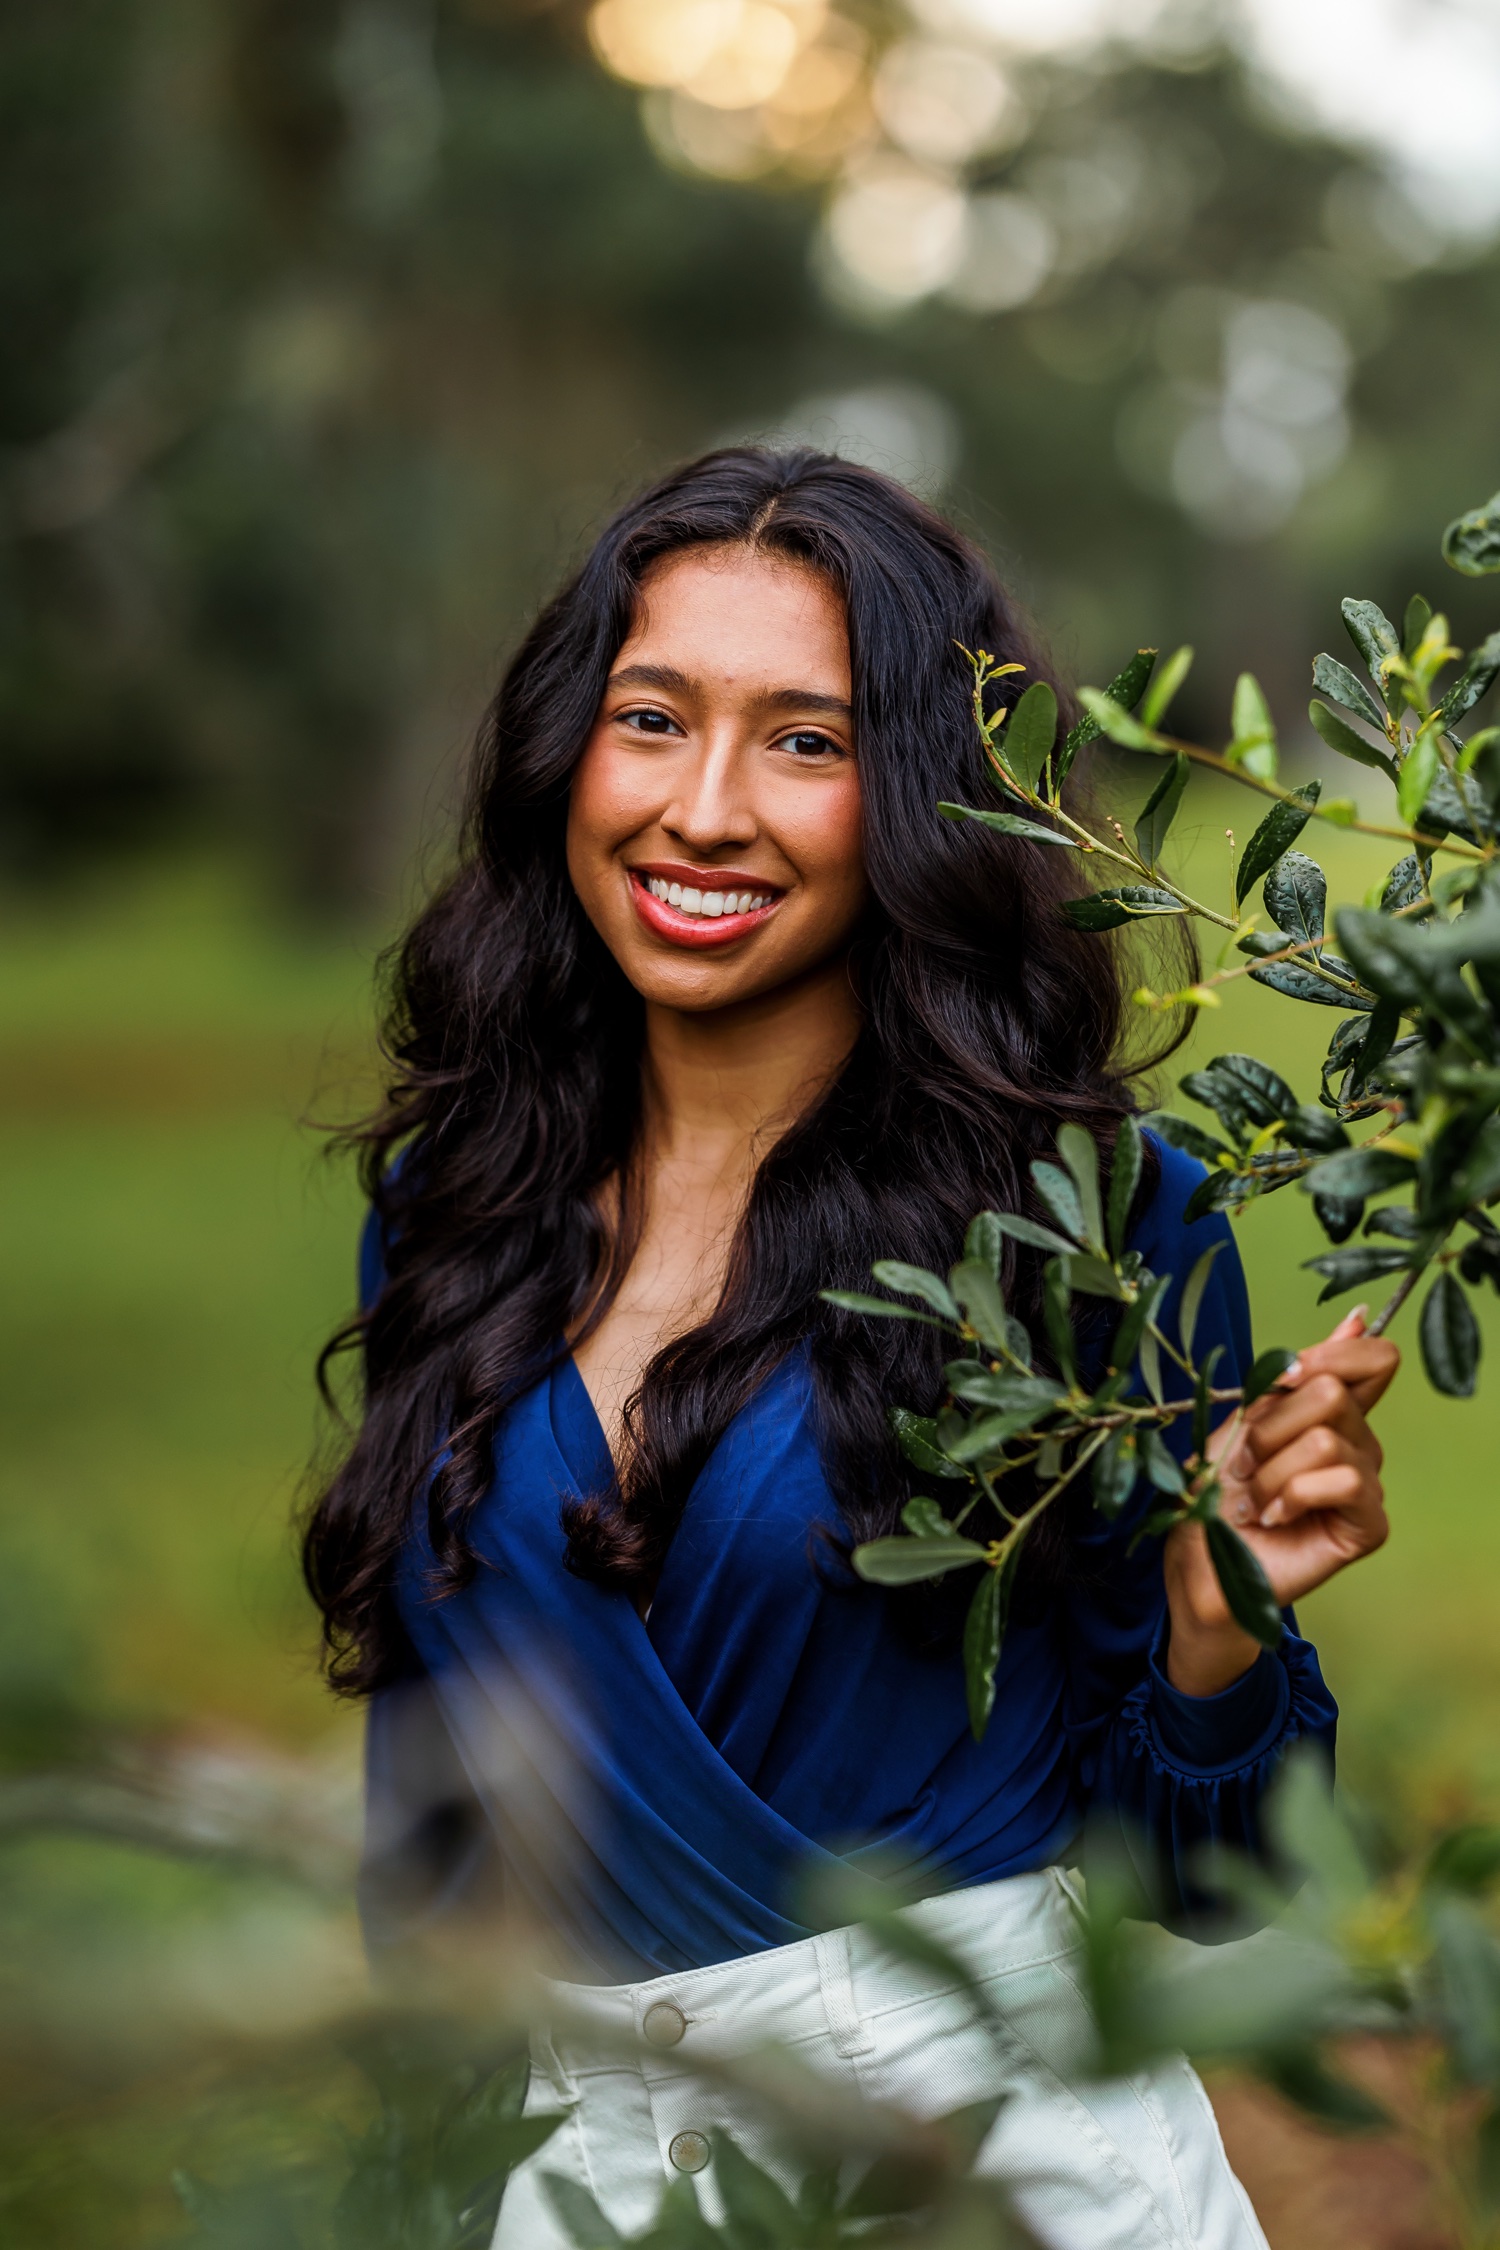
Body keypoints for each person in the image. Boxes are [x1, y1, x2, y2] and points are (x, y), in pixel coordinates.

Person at [305, 448, 1397, 2249]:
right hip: (566, 2175)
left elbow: (1204, 1884)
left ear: (922, 799)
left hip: (980, 2166)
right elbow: (431, 1815)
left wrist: (1219, 1625)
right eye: (652, 717)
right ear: (564, 751)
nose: (705, 807)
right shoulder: (458, 1200)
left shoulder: (1091, 1220)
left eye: (806, 741)